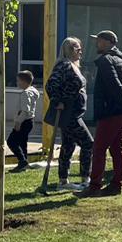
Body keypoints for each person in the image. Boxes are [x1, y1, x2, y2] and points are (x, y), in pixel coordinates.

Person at [85, 30, 122, 195]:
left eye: (100, 40)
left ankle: (94, 186)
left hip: (111, 110)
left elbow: (114, 84)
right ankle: (116, 185)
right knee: (117, 148)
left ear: (109, 42)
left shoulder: (106, 60)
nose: (97, 43)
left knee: (99, 149)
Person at [46, 38, 93, 190]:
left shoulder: (73, 65)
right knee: (88, 143)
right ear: (69, 50)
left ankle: (63, 181)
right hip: (69, 113)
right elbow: (51, 84)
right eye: (77, 49)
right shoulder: (64, 65)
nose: (80, 52)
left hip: (74, 112)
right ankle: (85, 178)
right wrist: (57, 101)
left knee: (68, 145)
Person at [6, 70, 40, 170]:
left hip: (24, 121)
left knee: (11, 141)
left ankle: (22, 161)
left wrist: (18, 122)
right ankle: (24, 164)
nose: (17, 83)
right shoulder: (33, 91)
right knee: (22, 143)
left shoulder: (26, 93)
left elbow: (25, 110)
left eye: (18, 81)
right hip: (29, 121)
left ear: (24, 82)